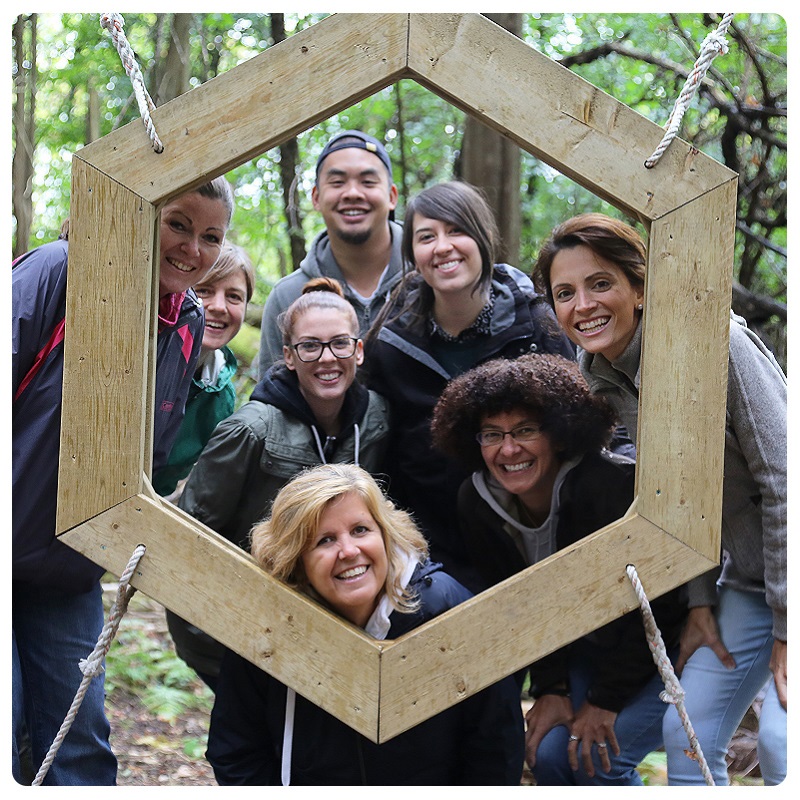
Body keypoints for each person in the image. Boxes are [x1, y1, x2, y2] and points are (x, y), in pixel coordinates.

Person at [534, 212, 787, 786]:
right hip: (748, 578)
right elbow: (674, 497)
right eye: (565, 293)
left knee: (779, 741)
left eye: (601, 284)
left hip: (788, 571)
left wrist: (786, 628)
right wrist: (700, 600)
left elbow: (782, 481)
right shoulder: (597, 371)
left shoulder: (717, 341)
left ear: (640, 286)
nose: (584, 305)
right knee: (688, 733)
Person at [12, 177, 234, 785]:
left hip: (68, 568)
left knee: (77, 740)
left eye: (210, 236)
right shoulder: (60, 270)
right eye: (178, 224)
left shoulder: (186, 320)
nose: (192, 248)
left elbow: (152, 455)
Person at [431, 353, 687, 785]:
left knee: (597, 761)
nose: (508, 449)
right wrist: (551, 689)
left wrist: (604, 701)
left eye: (525, 431)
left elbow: (663, 601)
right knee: (549, 756)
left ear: (560, 434)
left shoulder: (609, 485)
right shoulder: (475, 501)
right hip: (588, 648)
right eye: (492, 434)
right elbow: (518, 605)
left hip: (666, 644)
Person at [205, 463, 525, 785]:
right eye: (325, 541)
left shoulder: (447, 609)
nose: (348, 551)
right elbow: (236, 749)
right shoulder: (269, 628)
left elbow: (496, 748)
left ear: (385, 534)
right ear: (297, 560)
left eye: (360, 530)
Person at [173, 278, 390, 688]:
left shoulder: (376, 418)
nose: (327, 358)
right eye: (310, 346)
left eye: (340, 343)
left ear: (358, 351)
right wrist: (227, 656)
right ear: (289, 356)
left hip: (340, 639)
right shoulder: (250, 432)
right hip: (252, 641)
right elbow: (188, 545)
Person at [362, 180, 574, 591]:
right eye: (426, 237)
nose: (442, 247)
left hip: (539, 547)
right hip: (433, 559)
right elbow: (375, 448)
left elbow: (581, 430)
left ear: (483, 239)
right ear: (412, 254)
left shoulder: (537, 324)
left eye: (456, 230)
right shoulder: (390, 343)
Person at [258, 130, 404, 374]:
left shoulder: (429, 278)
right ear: (316, 197)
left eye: (368, 182)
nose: (352, 193)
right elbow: (272, 399)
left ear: (391, 196)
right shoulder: (288, 297)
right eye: (337, 182)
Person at [153, 241, 255, 501]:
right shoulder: (147, 357)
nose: (219, 306)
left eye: (234, 296)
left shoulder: (222, 397)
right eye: (205, 290)